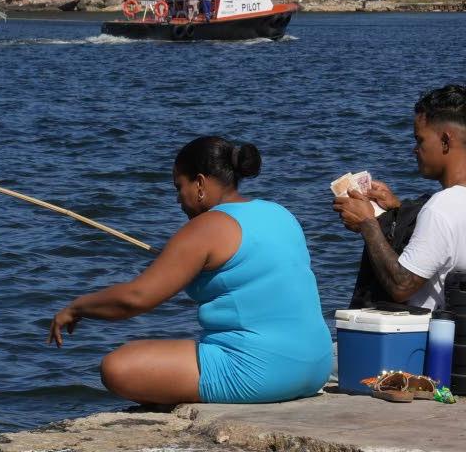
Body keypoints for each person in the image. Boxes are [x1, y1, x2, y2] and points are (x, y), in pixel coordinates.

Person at [49, 136, 332, 404]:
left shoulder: (205, 227)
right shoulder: (279, 212)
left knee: (117, 366)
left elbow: (135, 298)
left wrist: (76, 308)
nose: (178, 199)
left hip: (261, 372)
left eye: (178, 187)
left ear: (199, 183)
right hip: (316, 366)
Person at [334, 84, 466, 310]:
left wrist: (369, 224)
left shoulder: (441, 208)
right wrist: (397, 210)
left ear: (446, 140)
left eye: (420, 140)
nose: (414, 149)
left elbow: (402, 285)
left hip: (426, 342)